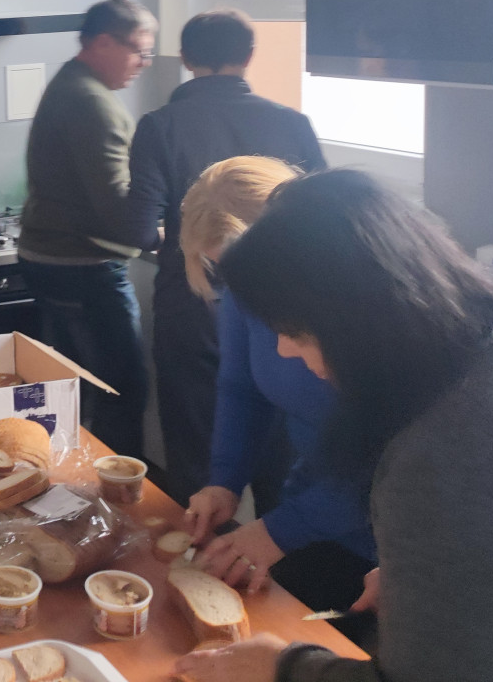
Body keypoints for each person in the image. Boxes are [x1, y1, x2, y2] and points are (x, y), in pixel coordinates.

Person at [173, 170, 493, 682]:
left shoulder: (440, 454)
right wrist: (412, 573)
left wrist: (280, 668)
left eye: (295, 333)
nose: (282, 350)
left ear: (351, 318)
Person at [125, 8, 324, 502]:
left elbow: (138, 230)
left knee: (195, 455)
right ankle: (273, 546)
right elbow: (320, 220)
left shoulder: (159, 126)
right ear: (249, 55)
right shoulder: (293, 123)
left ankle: (198, 543)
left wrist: (190, 238)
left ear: (185, 57)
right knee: (282, 458)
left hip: (192, 309)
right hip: (284, 314)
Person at [178, 158, 375, 639]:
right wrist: (225, 482)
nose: (283, 347)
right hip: (314, 510)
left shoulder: (366, 311)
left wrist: (281, 530)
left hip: (386, 534)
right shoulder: (246, 291)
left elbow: (379, 460)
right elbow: (241, 389)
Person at [19, 0, 158, 457]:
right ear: (102, 43)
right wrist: (159, 235)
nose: (144, 63)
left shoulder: (70, 82)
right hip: (82, 266)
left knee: (77, 389)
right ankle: (117, 491)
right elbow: (117, 207)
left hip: (51, 258)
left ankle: (74, 481)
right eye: (139, 50)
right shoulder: (93, 103)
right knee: (124, 389)